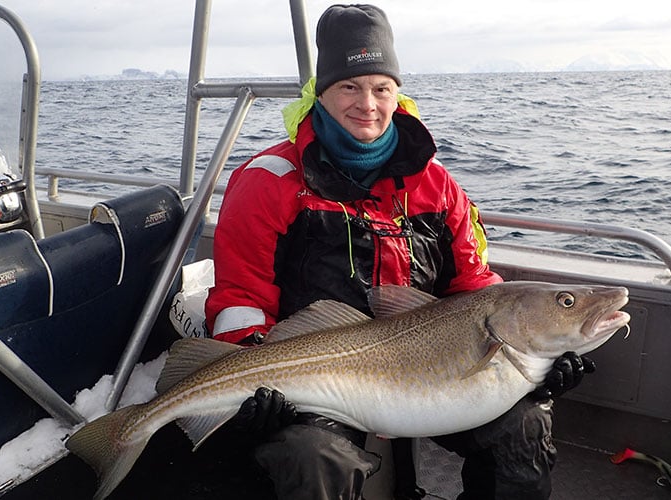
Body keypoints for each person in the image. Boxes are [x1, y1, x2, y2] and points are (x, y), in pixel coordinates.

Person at [205, 4, 594, 499]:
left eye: (381, 87)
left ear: (397, 93)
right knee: (313, 457)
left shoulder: (437, 185)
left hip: (430, 372)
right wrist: (250, 364)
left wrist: (540, 361)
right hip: (314, 380)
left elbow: (475, 287)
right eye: (349, 86)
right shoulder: (267, 181)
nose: (367, 103)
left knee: (524, 427)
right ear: (320, 94)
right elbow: (240, 293)